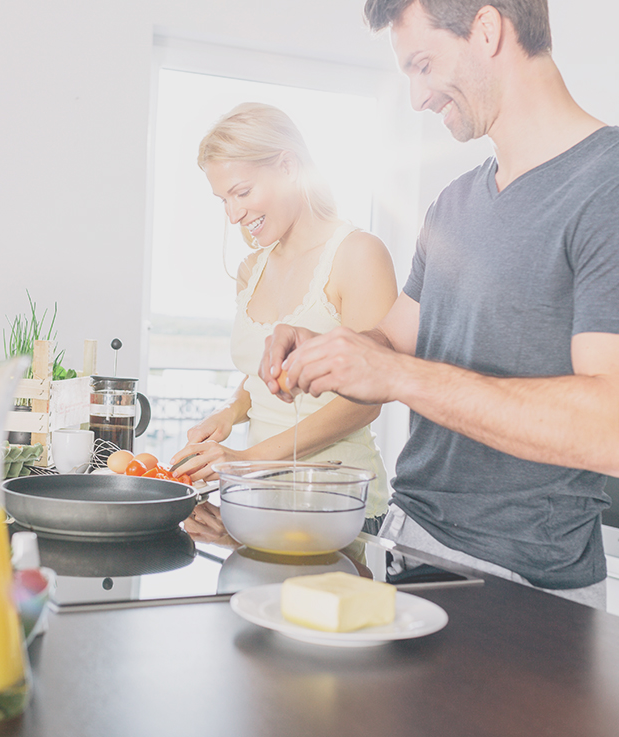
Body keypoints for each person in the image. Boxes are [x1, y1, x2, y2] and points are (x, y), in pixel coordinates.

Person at [260, 0, 619, 608]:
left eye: (423, 65)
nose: (417, 98)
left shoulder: (604, 186)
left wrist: (398, 375)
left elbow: (608, 425)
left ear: (486, 29)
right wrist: (330, 349)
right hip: (411, 544)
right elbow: (403, 340)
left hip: (525, 590)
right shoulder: (453, 204)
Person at [170, 102, 398, 539]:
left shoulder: (358, 255)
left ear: (289, 166)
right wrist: (232, 411)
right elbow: (266, 375)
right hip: (256, 503)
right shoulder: (251, 270)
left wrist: (245, 461)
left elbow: (367, 398)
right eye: (223, 200)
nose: (233, 214)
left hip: (337, 508)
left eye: (241, 192)